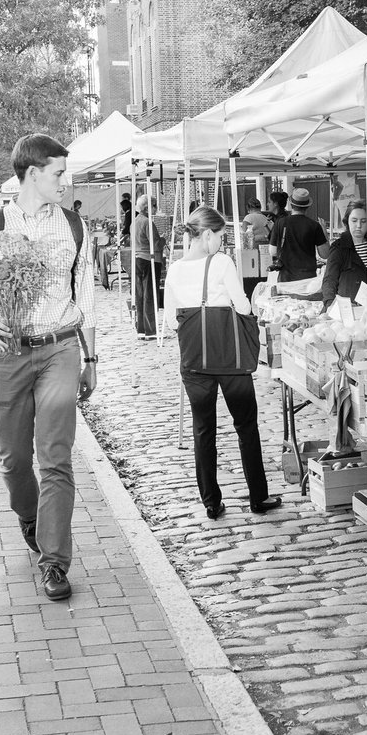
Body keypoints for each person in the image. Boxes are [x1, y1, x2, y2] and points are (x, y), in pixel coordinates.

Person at [0, 132, 96, 602]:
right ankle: (31, 517)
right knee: (14, 461)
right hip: (11, 352)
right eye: (59, 173)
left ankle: (55, 561)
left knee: (55, 458)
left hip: (60, 346)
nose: (66, 180)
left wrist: (90, 358)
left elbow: (88, 296)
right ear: (33, 174)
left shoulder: (75, 226)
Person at [163, 205, 281, 520]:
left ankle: (212, 503)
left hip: (194, 363)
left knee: (203, 431)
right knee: (246, 426)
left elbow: (171, 322)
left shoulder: (174, 270)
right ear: (206, 235)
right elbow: (242, 306)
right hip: (230, 359)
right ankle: (258, 497)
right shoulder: (221, 262)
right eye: (219, 235)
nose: (221, 242)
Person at [269, 187, 327, 282]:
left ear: (291, 204)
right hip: (308, 279)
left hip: (286, 278)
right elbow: (325, 254)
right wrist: (324, 231)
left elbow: (273, 251)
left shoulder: (280, 223)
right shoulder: (314, 225)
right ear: (308, 206)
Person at [321, 201, 367, 307]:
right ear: (347, 222)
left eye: (363, 221)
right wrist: (330, 304)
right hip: (346, 310)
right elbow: (329, 279)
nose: (359, 225)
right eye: (354, 221)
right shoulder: (339, 247)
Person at [133, 193, 165, 339]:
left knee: (140, 295)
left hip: (139, 258)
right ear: (147, 207)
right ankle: (151, 330)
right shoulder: (147, 222)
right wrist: (164, 239)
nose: (156, 208)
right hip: (149, 260)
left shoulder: (135, 221)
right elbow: (155, 245)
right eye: (154, 205)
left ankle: (141, 328)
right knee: (150, 295)